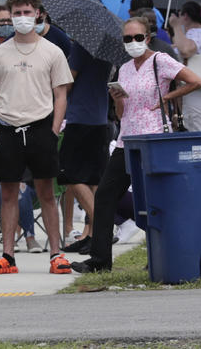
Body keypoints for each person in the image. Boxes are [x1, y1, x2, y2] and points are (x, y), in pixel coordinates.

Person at [71, 16, 201, 273]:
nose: (132, 43)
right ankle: (100, 260)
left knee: (155, 198)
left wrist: (168, 97)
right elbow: (122, 114)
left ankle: (166, 252)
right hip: (127, 138)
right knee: (105, 195)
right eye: (127, 39)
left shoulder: (160, 61)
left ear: (147, 38)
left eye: (137, 37)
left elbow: (196, 81)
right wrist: (117, 98)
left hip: (153, 137)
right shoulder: (123, 68)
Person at [0, 0, 74, 275]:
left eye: (26, 13)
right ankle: (7, 256)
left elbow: (61, 94)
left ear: (38, 15)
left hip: (42, 128)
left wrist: (54, 129)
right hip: (7, 129)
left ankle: (56, 254)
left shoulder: (52, 51)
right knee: (7, 193)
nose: (21, 18)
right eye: (16, 14)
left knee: (45, 192)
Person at [59, 41, 113, 254]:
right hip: (100, 119)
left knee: (70, 174)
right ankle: (89, 234)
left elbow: (68, 80)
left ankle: (100, 228)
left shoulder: (81, 47)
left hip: (80, 118)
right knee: (93, 179)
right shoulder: (107, 49)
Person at [168, 1, 201, 132]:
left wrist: (176, 26)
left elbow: (186, 50)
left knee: (198, 138)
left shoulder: (195, 32)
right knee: (200, 131)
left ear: (185, 16)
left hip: (196, 94)